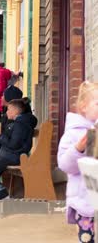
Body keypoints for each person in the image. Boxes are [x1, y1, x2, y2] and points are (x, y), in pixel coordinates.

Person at [58, 82, 97, 243]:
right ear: (83, 107)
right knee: (87, 239)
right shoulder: (74, 134)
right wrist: (78, 149)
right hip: (84, 200)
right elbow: (65, 165)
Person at [0, 98, 37, 208]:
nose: (7, 112)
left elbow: (14, 144)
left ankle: (3, 197)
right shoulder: (17, 123)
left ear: (16, 111)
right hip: (8, 155)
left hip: (13, 157)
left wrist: (0, 136)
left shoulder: (20, 124)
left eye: (9, 109)